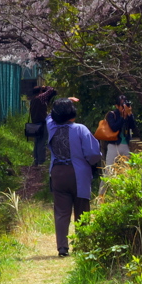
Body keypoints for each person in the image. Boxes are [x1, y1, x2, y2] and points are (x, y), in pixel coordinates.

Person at [47, 97, 101, 257]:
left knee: (61, 211)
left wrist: (61, 102)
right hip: (78, 173)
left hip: (57, 172)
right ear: (72, 112)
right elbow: (93, 154)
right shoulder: (80, 129)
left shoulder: (51, 127)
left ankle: (62, 248)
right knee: (82, 208)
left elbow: (49, 117)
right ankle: (82, 244)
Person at [104, 94, 137, 166]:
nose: (123, 107)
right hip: (113, 144)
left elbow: (133, 127)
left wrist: (129, 114)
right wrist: (123, 117)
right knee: (109, 167)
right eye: (122, 105)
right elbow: (114, 128)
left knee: (128, 168)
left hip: (125, 144)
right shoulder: (112, 114)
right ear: (117, 106)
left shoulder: (128, 114)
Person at [28, 85, 56, 166]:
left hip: (35, 123)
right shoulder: (41, 97)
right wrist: (45, 87)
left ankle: (36, 160)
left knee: (36, 143)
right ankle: (41, 161)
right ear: (40, 91)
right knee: (42, 142)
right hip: (42, 123)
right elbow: (51, 90)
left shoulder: (33, 99)